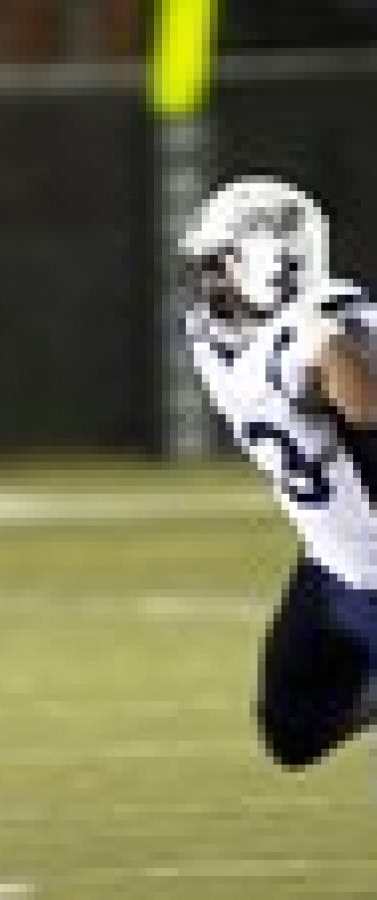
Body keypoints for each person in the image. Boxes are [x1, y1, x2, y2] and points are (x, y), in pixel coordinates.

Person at [181, 175, 377, 770]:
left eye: (222, 263)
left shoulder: (328, 321)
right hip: (334, 559)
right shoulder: (223, 336)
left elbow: (365, 405)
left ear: (261, 265)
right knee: (291, 731)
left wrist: (330, 346)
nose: (211, 279)